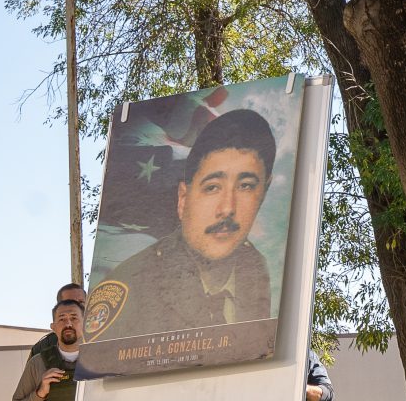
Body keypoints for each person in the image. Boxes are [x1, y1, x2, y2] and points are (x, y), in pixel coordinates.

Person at [90, 109, 275, 340]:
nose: (228, 208)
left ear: (263, 193)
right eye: (212, 187)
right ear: (183, 199)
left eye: (246, 185)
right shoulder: (132, 283)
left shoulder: (257, 270)